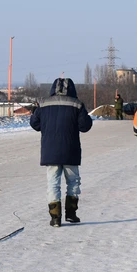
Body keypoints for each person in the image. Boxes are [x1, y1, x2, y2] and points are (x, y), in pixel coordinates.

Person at [31, 77, 93, 226]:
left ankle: (55, 217)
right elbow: (85, 126)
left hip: (50, 152)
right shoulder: (77, 105)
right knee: (73, 182)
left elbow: (35, 124)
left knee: (53, 183)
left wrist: (38, 114)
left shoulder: (44, 104)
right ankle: (71, 213)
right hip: (70, 150)